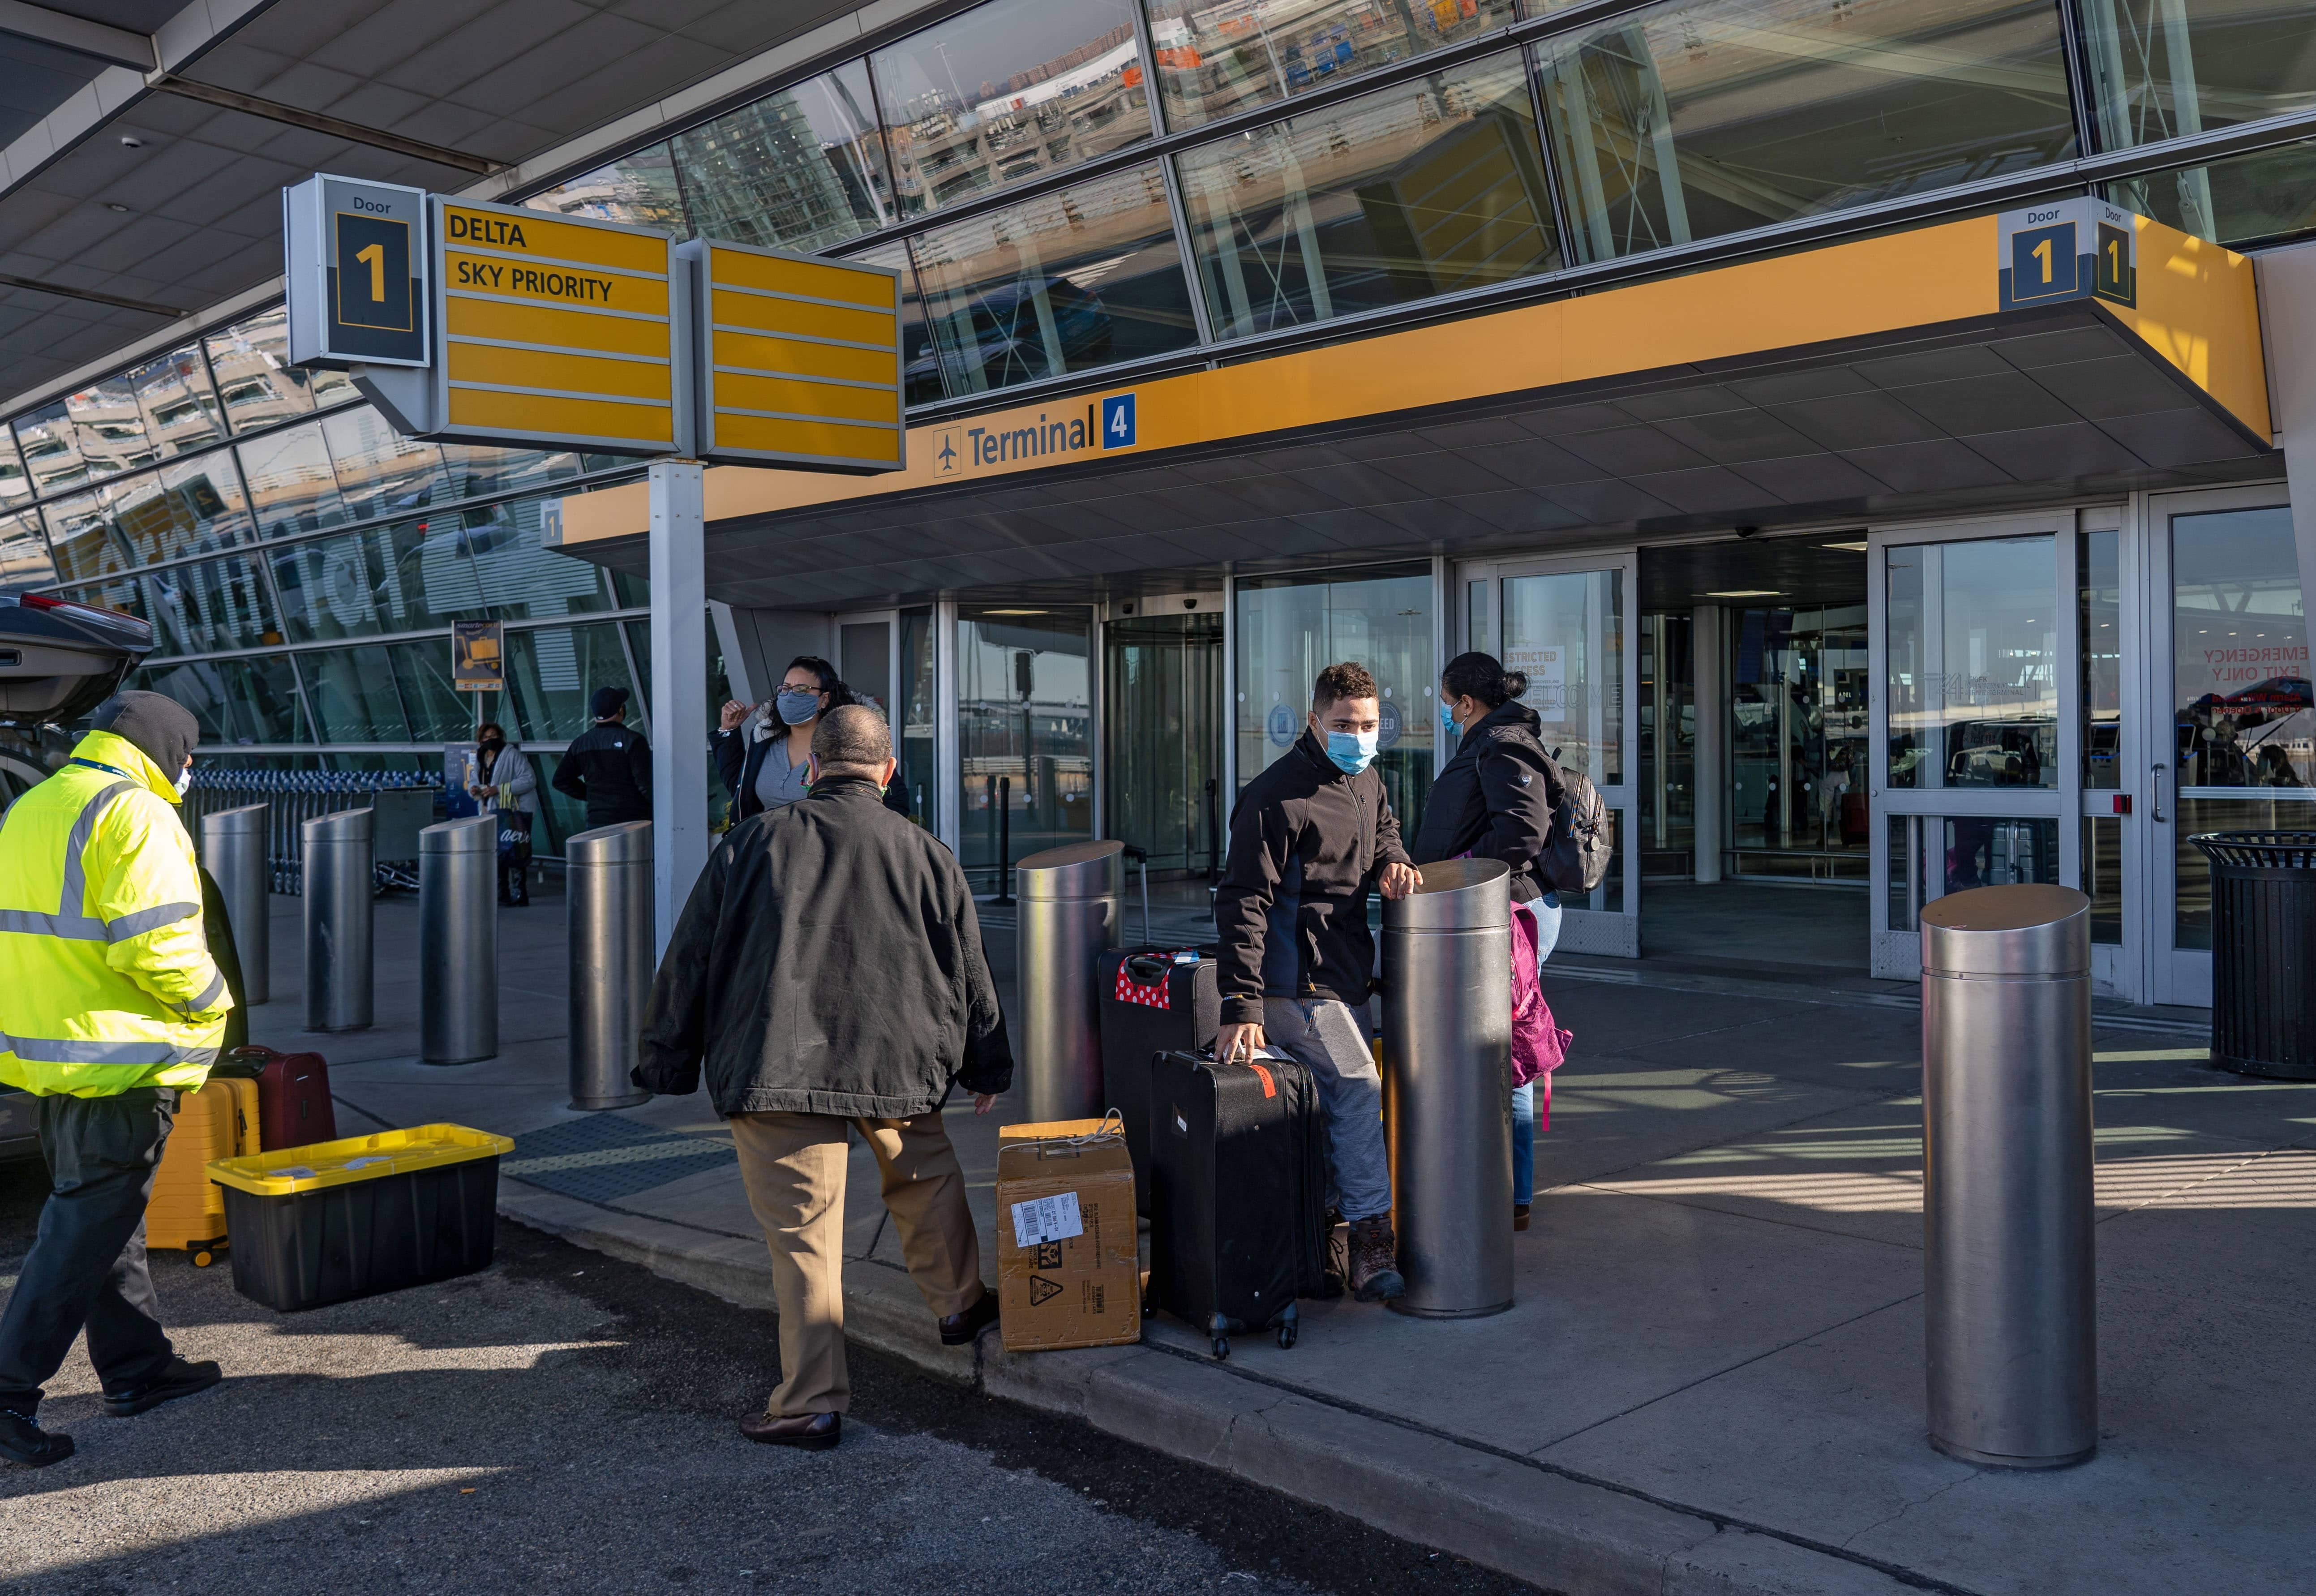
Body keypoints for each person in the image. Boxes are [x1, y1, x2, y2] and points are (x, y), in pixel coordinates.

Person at [636, 704, 1011, 1452]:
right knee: (925, 1176)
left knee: (804, 1238)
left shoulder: (750, 843)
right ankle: (959, 1304)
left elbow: (688, 962)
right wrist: (986, 1062)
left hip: (778, 1062)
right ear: (888, 772)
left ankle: (809, 1401)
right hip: (896, 1060)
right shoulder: (926, 852)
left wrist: (666, 1061)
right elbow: (971, 969)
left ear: (812, 768)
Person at [0, 691, 234, 1467]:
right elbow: (157, 946)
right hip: (122, 1054)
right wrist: (215, 1006)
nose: (191, 767)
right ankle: (7, 1389)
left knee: (107, 1219)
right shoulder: (134, 811)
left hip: (54, 1055)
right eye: (189, 751)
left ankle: (137, 1368)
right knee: (77, 1234)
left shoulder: (37, 802)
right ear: (164, 744)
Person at [1214, 662, 1420, 1303]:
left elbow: (1382, 831)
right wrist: (1241, 1002)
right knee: (1357, 1087)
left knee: (1337, 1105)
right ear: (1313, 720)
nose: (1359, 735)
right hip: (1294, 985)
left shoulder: (1368, 780)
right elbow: (1243, 899)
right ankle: (1368, 1240)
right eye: (1345, 724)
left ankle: (1321, 1243)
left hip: (1346, 973)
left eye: (1370, 724)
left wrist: (1394, 861)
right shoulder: (1275, 796)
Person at [1411, 652, 1566, 1232]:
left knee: (1500, 1051)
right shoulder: (1498, 738)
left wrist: (1465, 870)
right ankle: (1503, 1188)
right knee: (1496, 1046)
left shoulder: (1501, 742)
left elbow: (1523, 830)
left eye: (1449, 704)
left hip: (1503, 911)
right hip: (1495, 908)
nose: (1448, 714)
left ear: (1467, 703)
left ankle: (1507, 1193)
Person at [714, 656, 909, 821]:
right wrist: (727, 730)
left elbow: (895, 801)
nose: (790, 695)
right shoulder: (764, 741)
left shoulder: (848, 746)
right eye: (785, 688)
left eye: (801, 690)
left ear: (824, 699)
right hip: (765, 858)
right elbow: (740, 789)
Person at [453, 721, 539, 905]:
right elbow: (476, 780)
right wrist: (475, 790)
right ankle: (502, 891)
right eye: (486, 737)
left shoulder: (512, 755)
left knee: (515, 850)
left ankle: (519, 893)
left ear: (500, 736)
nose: (490, 740)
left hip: (513, 810)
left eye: (493, 736)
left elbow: (529, 780)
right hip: (490, 810)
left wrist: (498, 789)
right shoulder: (480, 757)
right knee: (497, 851)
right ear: (480, 740)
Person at [551, 685, 652, 829]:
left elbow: (560, 780)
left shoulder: (581, 744)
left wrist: (593, 796)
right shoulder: (633, 741)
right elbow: (646, 786)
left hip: (596, 825)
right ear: (621, 710)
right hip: (633, 824)